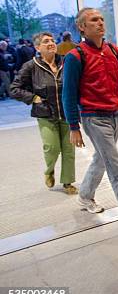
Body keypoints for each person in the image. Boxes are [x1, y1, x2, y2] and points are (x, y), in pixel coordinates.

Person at [62, 7, 118, 233]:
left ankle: (85, 196)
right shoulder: (75, 56)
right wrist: (73, 126)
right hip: (93, 117)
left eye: (102, 19)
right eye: (94, 20)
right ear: (82, 27)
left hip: (115, 114)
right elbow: (68, 94)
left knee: (101, 159)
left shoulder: (113, 50)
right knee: (116, 166)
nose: (100, 23)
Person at [9, 32, 77, 194]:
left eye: (53, 41)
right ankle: (49, 171)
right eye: (46, 41)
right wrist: (33, 98)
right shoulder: (31, 66)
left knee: (69, 150)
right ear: (37, 47)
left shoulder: (65, 62)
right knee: (52, 148)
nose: (51, 43)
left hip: (67, 113)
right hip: (45, 114)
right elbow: (14, 89)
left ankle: (68, 182)